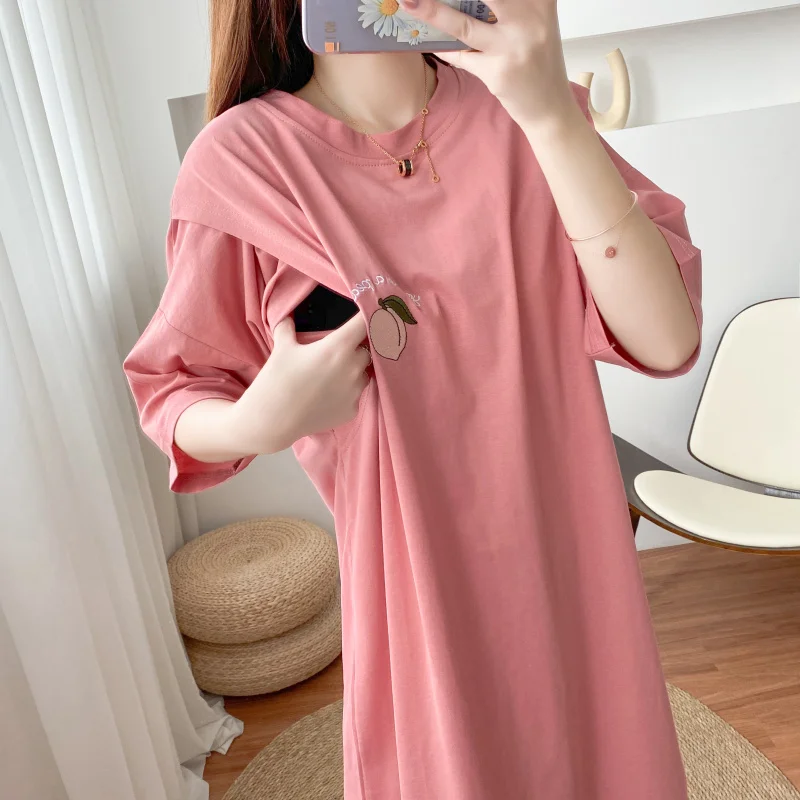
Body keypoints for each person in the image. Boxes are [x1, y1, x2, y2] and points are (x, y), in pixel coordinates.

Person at [122, 0, 702, 796]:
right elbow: (171, 390)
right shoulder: (247, 162)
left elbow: (667, 339)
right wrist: (261, 419)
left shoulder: (522, 109)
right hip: (417, 608)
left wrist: (548, 115)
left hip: (577, 573)